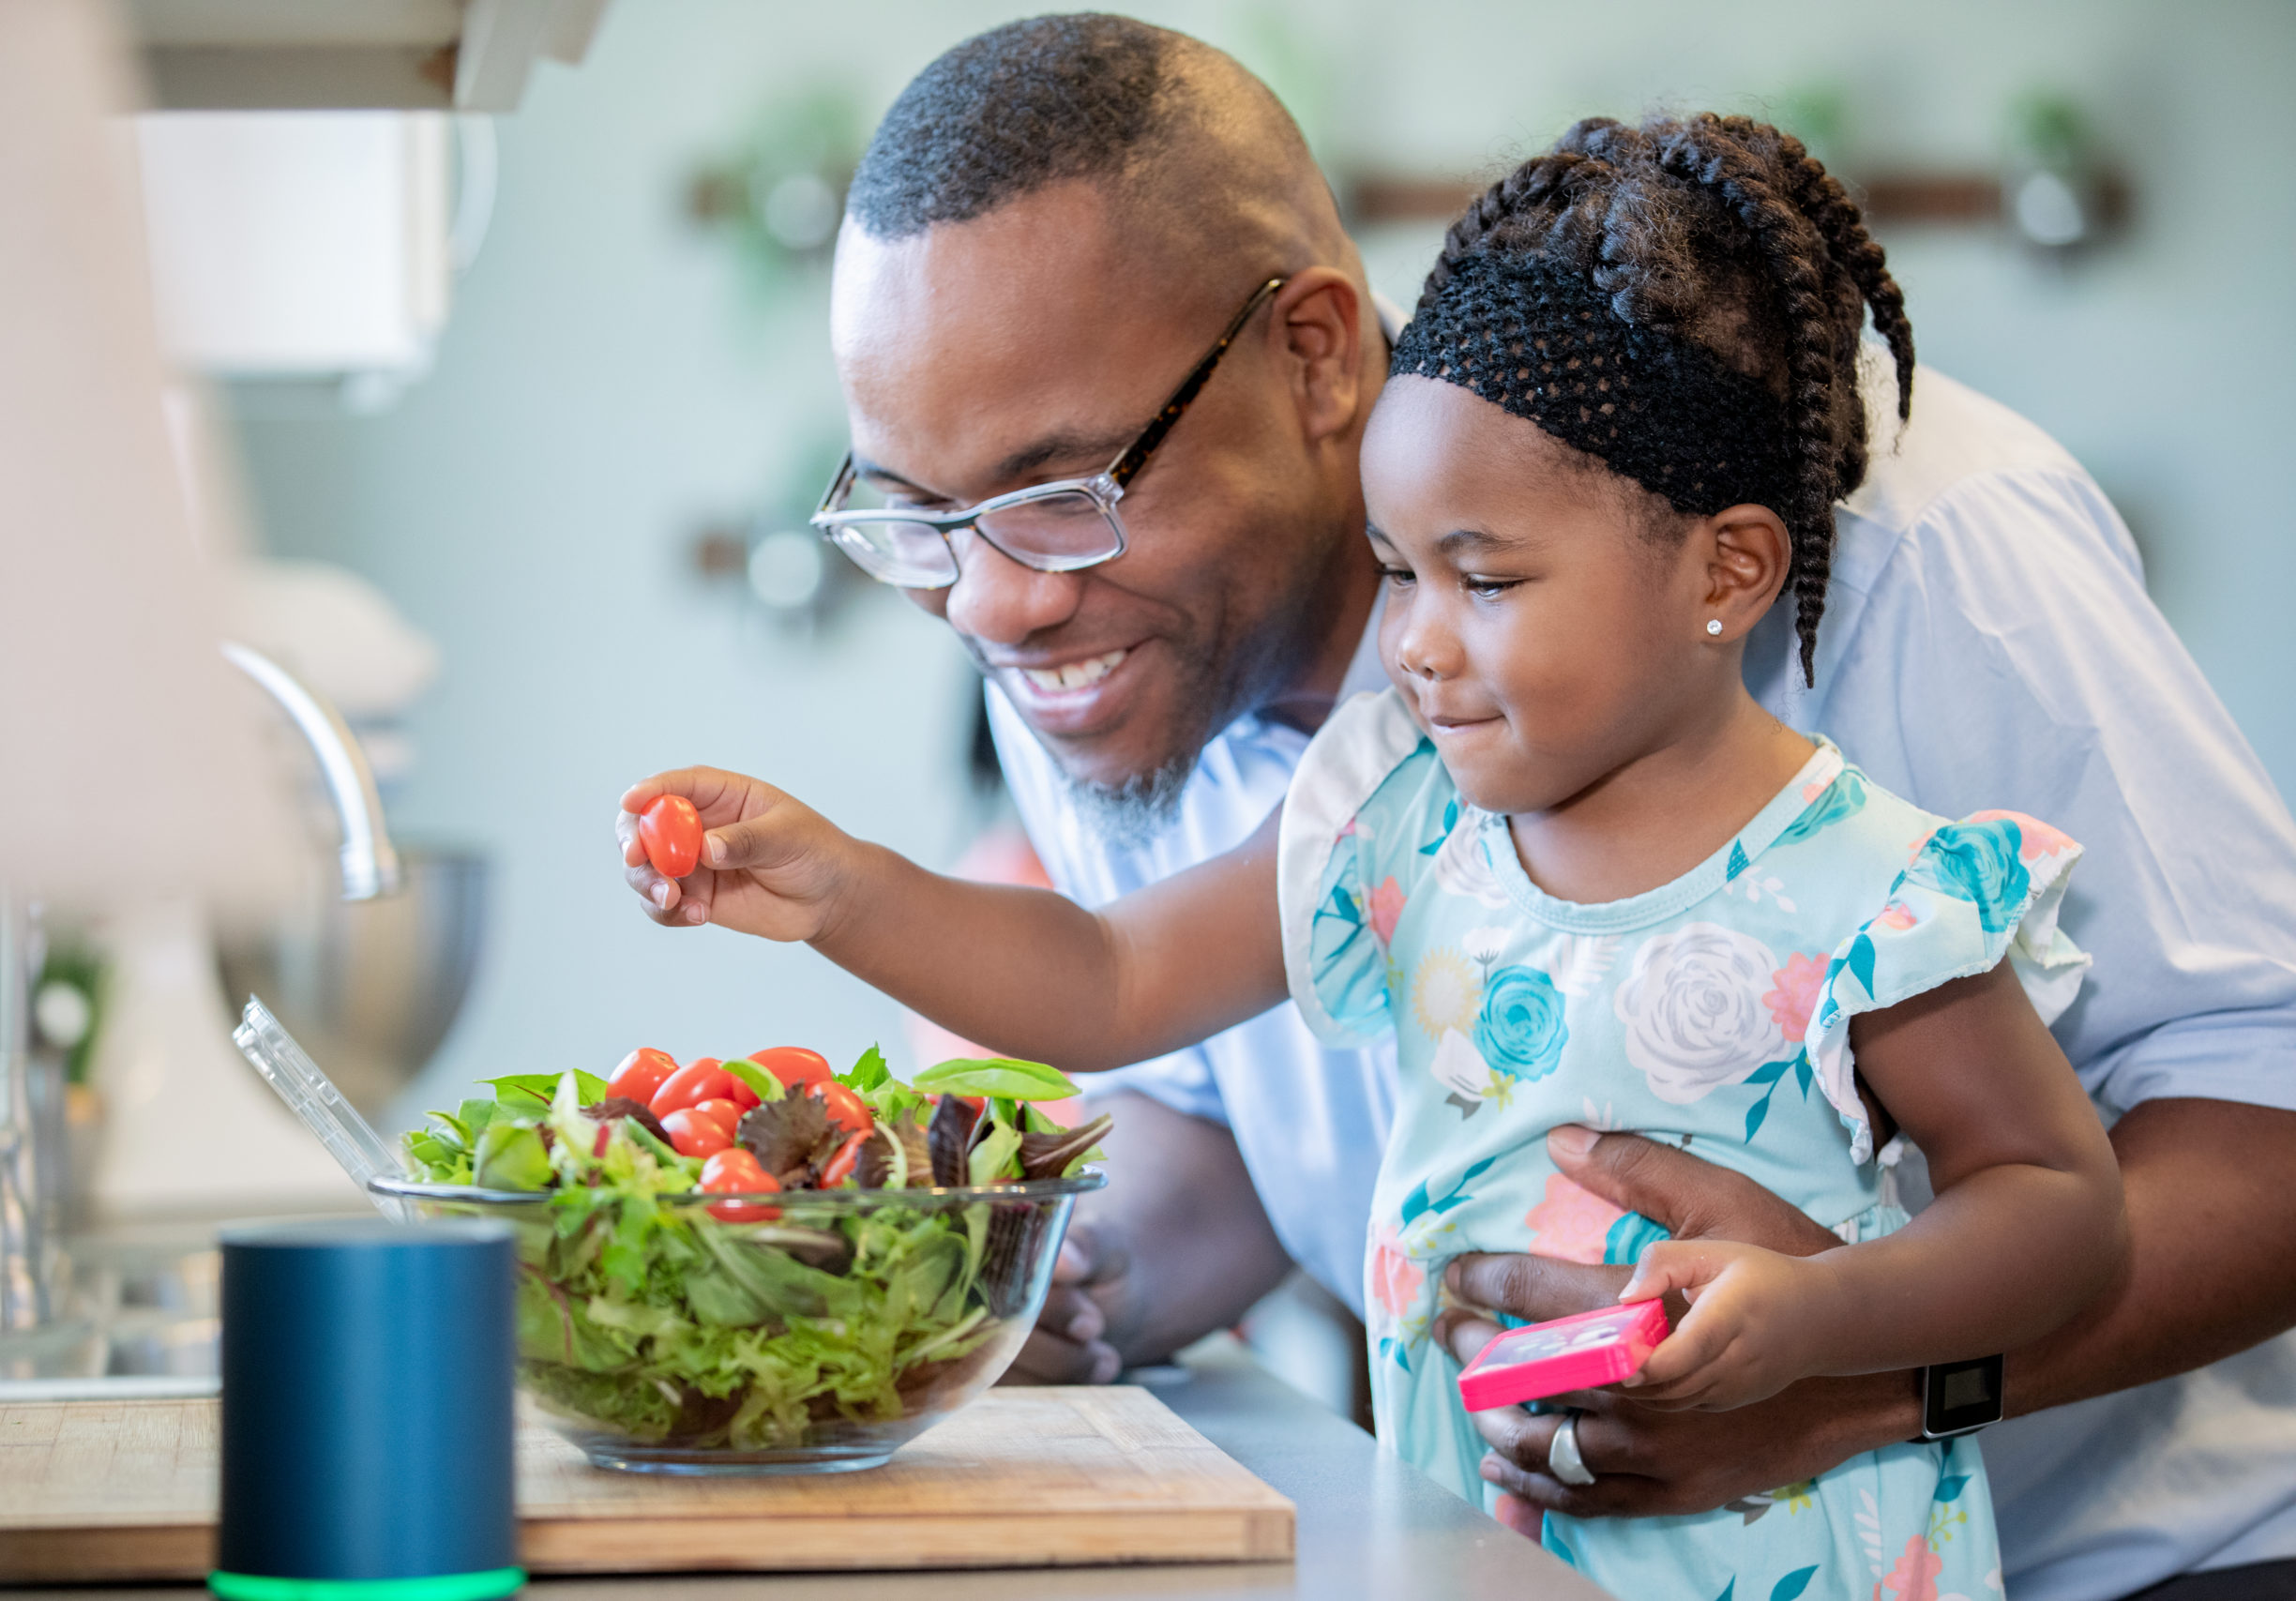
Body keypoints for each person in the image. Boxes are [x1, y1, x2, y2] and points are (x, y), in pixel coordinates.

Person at [624, 17, 2296, 1598]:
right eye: (920, 514)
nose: (990, 607)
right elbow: (1187, 1071)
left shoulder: (1916, 549)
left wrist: (1855, 1379)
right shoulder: (1149, 679)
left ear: (1314, 356)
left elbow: (2264, 1132)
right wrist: (998, 1277)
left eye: (1063, 494)